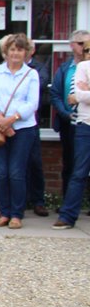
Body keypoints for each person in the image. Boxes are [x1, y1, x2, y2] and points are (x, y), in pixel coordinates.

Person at [0, 33, 40, 229]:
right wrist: (0, 119)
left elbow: (32, 103)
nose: (16, 53)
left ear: (26, 53)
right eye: (12, 49)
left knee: (17, 172)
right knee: (2, 172)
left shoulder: (31, 74)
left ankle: (17, 214)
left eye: (20, 49)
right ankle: (3, 212)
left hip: (23, 129)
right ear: (5, 52)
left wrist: (11, 119)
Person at [50, 30, 90, 199]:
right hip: (70, 121)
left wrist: (81, 95)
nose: (85, 48)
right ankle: (68, 201)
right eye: (82, 44)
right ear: (72, 45)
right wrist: (65, 113)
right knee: (70, 163)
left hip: (86, 120)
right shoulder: (66, 68)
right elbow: (56, 93)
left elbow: (79, 96)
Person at [53, 53, 90, 230]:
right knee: (79, 172)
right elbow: (74, 95)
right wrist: (82, 94)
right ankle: (67, 216)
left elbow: (79, 97)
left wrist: (84, 93)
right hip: (85, 125)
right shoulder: (83, 67)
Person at [24, 47, 50, 217]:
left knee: (35, 162)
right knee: (15, 166)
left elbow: (41, 83)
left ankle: (38, 201)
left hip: (32, 121)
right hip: (9, 123)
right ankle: (19, 201)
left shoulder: (38, 68)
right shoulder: (2, 70)